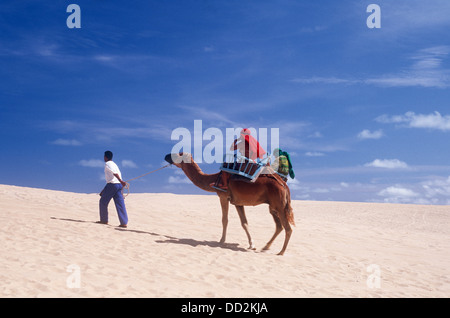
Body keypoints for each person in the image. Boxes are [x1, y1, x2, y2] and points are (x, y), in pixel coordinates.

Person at [98, 151, 129, 228]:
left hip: (113, 185)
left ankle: (104, 220)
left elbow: (114, 173)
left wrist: (121, 181)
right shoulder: (114, 164)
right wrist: (120, 182)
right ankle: (124, 223)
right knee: (120, 204)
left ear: (105, 157)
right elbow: (113, 176)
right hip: (118, 185)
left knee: (103, 202)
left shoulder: (108, 164)